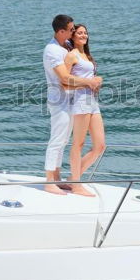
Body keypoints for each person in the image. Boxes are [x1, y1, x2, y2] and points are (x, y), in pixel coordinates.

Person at [43, 15, 102, 195]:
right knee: (57, 140)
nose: (73, 31)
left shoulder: (66, 46)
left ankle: (58, 178)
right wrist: (89, 82)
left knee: (64, 140)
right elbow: (64, 78)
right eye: (70, 30)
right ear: (61, 31)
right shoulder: (52, 50)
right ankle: (49, 181)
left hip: (72, 100)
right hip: (59, 100)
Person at [63, 24, 105, 197]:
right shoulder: (71, 55)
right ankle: (76, 184)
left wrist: (96, 80)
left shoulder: (86, 55)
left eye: (85, 33)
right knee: (78, 144)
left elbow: (88, 78)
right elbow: (65, 82)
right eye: (79, 33)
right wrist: (88, 82)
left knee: (100, 146)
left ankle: (72, 179)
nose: (83, 35)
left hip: (92, 102)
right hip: (80, 101)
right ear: (72, 36)